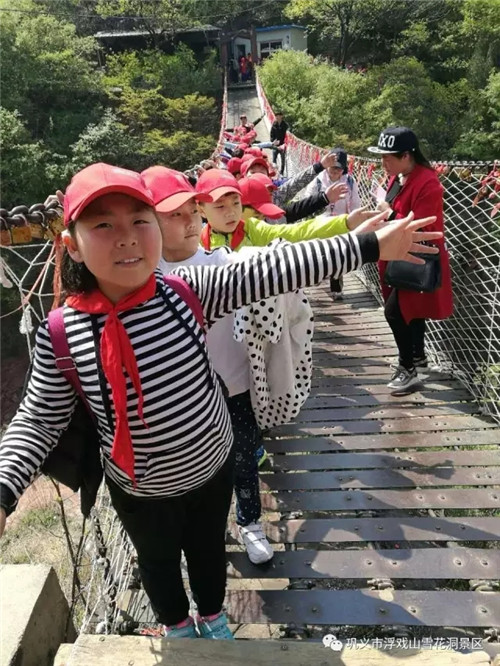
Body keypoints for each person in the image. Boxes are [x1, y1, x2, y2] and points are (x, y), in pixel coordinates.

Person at [0, 162, 442, 637]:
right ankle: (177, 627)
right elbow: (39, 420)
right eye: (103, 225)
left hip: (212, 468)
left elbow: (274, 267)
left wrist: (369, 245)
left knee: (209, 552)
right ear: (73, 245)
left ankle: (213, 617)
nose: (126, 238)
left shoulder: (186, 292)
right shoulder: (61, 335)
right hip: (139, 488)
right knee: (157, 563)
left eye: (140, 221)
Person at [142, 166, 274, 565]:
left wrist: (361, 241)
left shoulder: (223, 262)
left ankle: (250, 522)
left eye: (191, 212)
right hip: (180, 395)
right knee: (193, 464)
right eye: (173, 215)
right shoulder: (141, 276)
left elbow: (281, 265)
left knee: (244, 455)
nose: (188, 222)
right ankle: (206, 531)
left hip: (233, 385)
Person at [368, 126, 453, 392]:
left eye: (387, 157)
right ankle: (417, 356)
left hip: (417, 257)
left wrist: (388, 213)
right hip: (398, 255)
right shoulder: (400, 176)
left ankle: (408, 369)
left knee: (395, 312)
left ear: (406, 156)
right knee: (410, 311)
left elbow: (423, 226)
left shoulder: (428, 182)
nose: (383, 163)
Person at [305, 148, 362, 298]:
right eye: (333, 167)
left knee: (338, 256)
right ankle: (318, 275)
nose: (335, 171)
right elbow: (308, 199)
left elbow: (355, 203)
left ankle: (336, 288)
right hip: (321, 222)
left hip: (341, 223)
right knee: (320, 254)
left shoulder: (350, 182)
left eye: (339, 168)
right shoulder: (318, 180)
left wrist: (354, 221)